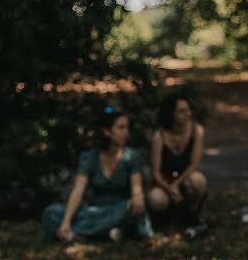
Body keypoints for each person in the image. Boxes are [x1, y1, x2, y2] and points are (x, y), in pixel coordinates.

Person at [41, 107, 152, 242]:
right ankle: (103, 233)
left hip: (121, 209)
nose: (126, 133)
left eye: (126, 128)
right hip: (95, 211)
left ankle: (84, 234)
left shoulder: (131, 156)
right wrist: (66, 221)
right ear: (106, 132)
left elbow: (137, 190)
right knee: (52, 212)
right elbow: (78, 191)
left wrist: (137, 200)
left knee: (133, 211)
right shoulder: (90, 157)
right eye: (121, 128)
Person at [147, 95, 207, 225]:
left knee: (198, 180)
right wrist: (169, 187)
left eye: (188, 110)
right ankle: (166, 217)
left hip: (185, 177)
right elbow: (155, 172)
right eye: (181, 111)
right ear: (171, 113)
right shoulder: (159, 136)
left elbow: (194, 163)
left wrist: (177, 184)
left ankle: (192, 213)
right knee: (156, 199)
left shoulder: (197, 130)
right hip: (164, 180)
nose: (188, 114)